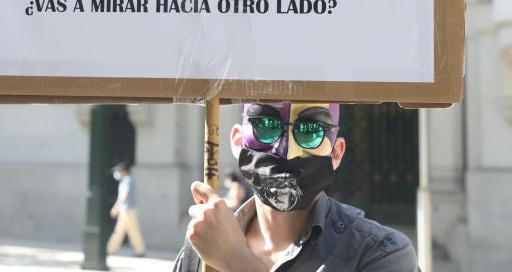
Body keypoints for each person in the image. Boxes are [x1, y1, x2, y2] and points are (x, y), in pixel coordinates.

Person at [174, 102, 418, 272]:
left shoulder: (378, 254)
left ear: (336, 153)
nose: (285, 150)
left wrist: (237, 261)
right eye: (267, 125)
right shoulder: (204, 244)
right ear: (238, 141)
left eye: (310, 131)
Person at [106, 162, 146, 258]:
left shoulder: (128, 180)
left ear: (123, 171)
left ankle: (139, 250)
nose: (117, 173)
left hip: (128, 210)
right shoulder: (125, 180)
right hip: (125, 210)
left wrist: (116, 207)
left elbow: (125, 195)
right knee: (119, 230)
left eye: (119, 171)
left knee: (133, 231)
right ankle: (111, 249)